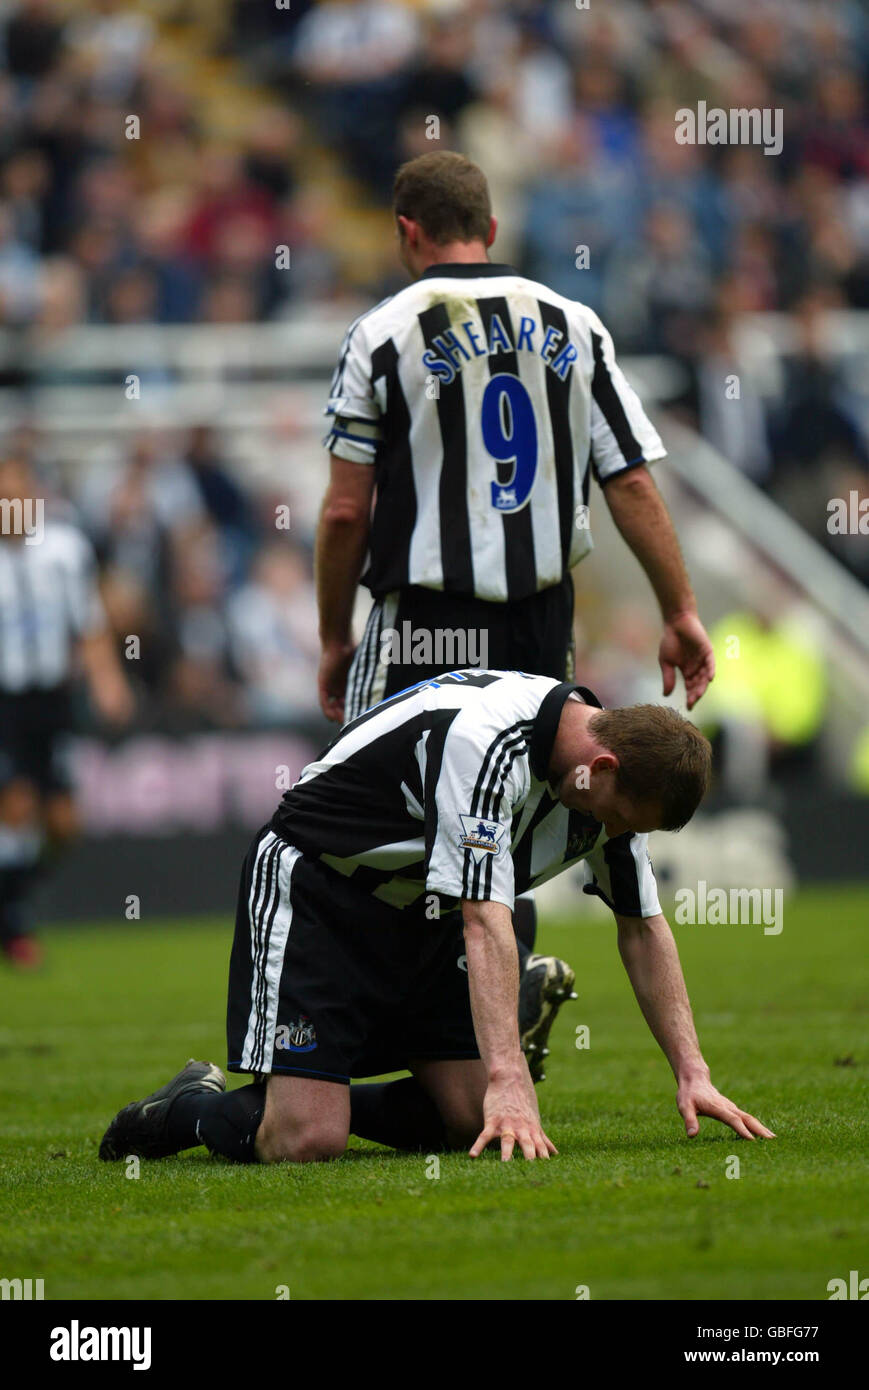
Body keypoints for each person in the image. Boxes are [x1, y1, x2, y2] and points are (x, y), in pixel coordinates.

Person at [314, 151, 715, 1078]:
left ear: (405, 231)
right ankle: (489, 1014)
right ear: (490, 230)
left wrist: (335, 634)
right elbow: (630, 482)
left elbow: (343, 511)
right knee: (521, 806)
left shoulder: (381, 331)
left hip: (421, 618)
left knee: (384, 811)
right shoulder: (575, 323)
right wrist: (679, 607)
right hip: (537, 623)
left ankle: (395, 1041)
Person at [99, 670, 773, 1166]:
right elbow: (484, 918)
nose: (616, 834)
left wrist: (692, 1071)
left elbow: (641, 925)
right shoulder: (486, 743)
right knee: (306, 1141)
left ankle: (313, 1090)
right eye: (620, 818)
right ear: (600, 768)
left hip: (429, 908)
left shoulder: (604, 784)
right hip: (321, 890)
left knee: (465, 1122)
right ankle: (185, 1109)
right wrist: (509, 1079)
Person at [0, 455, 133, 967]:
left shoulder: (64, 550)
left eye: (19, 493)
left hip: (51, 701)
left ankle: (10, 898)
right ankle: (14, 926)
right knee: (14, 802)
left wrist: (108, 682)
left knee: (62, 823)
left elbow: (89, 625)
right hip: (4, 702)